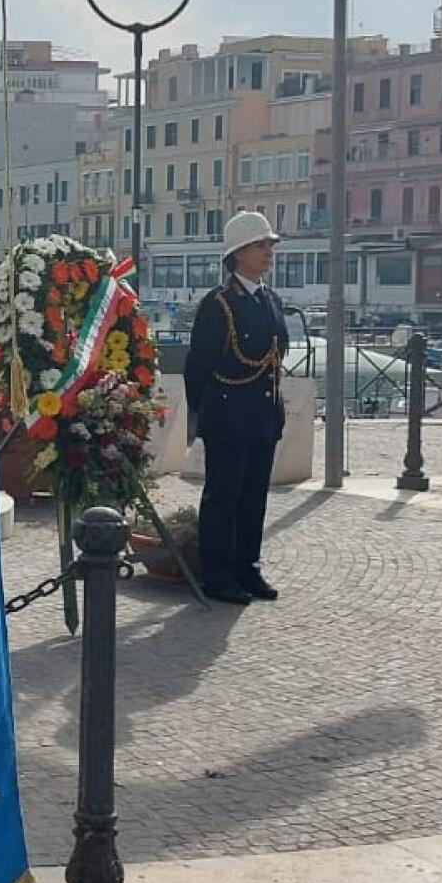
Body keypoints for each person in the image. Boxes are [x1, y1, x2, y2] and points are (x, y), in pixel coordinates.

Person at [185, 210, 289, 606]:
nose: (269, 253)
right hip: (228, 416)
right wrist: (202, 415)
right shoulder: (219, 304)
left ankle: (248, 566)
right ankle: (218, 573)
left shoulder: (270, 299)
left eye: (269, 246)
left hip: (262, 414)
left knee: (254, 496)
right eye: (261, 246)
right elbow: (199, 367)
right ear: (239, 252)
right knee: (223, 497)